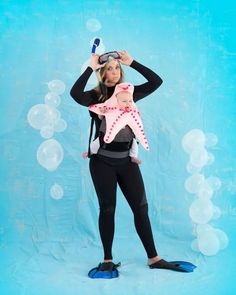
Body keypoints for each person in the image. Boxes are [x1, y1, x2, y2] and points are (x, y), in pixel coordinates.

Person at [70, 50, 195, 278]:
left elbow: (156, 82)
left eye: (118, 68)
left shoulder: (129, 92)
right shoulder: (95, 96)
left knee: (141, 208)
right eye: (109, 68)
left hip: (127, 162)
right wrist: (90, 66)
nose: (114, 72)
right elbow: (75, 94)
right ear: (102, 71)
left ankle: (154, 258)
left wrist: (132, 62)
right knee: (108, 209)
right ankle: (107, 259)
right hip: (102, 162)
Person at [83, 81, 144, 164]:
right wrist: (102, 112)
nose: (128, 103)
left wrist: (137, 116)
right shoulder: (111, 109)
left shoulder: (132, 112)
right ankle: (90, 152)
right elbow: (101, 118)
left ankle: (133, 157)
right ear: (117, 101)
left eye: (130, 101)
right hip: (107, 135)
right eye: (124, 101)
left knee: (134, 144)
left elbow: (137, 123)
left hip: (127, 136)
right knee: (96, 143)